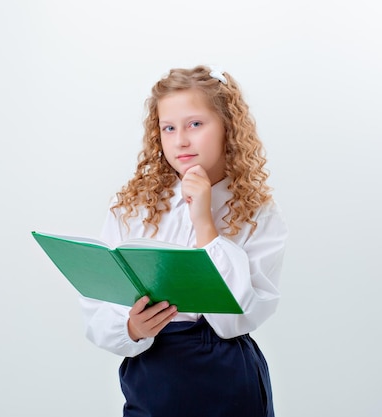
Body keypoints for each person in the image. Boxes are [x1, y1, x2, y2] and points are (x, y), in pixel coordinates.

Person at [79, 65, 288, 417]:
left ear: (228, 128)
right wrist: (131, 327)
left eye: (195, 124)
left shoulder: (259, 213)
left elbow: (233, 319)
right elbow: (96, 309)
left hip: (226, 379)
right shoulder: (135, 208)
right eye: (169, 128)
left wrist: (204, 220)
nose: (181, 141)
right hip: (151, 377)